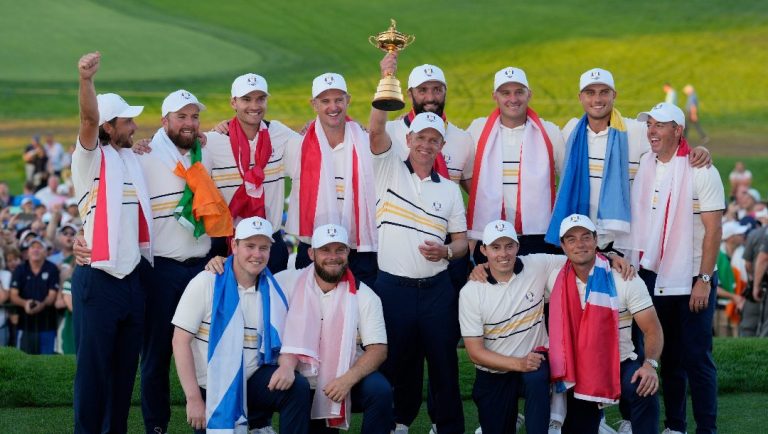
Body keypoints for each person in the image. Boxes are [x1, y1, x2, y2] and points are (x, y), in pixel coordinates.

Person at [618, 102, 724, 434]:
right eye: (649, 125)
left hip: (692, 274)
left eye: (659, 125)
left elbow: (714, 229)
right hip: (650, 272)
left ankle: (706, 429)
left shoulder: (701, 170)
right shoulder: (644, 164)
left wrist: (704, 280)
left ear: (678, 131)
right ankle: (675, 426)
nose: (651, 131)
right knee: (667, 357)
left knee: (697, 358)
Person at [138, 89, 232, 434]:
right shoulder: (145, 156)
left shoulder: (203, 153)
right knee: (157, 353)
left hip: (202, 266)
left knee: (207, 349)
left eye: (194, 116)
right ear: (165, 121)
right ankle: (156, 425)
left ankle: (209, 422)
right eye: (182, 117)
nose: (190, 123)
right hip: (160, 269)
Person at [369, 109, 468, 433]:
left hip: (436, 289)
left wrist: (447, 252)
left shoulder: (449, 190)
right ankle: (397, 423)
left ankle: (448, 426)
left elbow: (462, 242)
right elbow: (375, 131)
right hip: (393, 289)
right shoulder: (387, 168)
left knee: (444, 363)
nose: (426, 144)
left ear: (441, 145)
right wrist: (386, 82)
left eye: (433, 140)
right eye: (421, 137)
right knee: (395, 361)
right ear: (408, 139)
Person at [71, 51, 153, 433]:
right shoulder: (87, 158)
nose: (135, 126)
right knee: (93, 374)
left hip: (132, 280)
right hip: (99, 280)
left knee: (123, 378)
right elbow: (88, 118)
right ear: (108, 126)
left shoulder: (131, 157)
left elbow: (166, 143)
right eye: (128, 121)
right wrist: (86, 81)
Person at [547, 68, 710, 253]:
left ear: (614, 95)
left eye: (604, 92)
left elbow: (670, 144)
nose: (597, 100)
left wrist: (699, 149)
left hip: (618, 242)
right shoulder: (570, 131)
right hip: (577, 240)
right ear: (580, 97)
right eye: (590, 93)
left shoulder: (635, 131)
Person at [172, 216, 310, 433]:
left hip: (251, 382)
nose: (257, 254)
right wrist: (193, 399)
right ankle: (255, 423)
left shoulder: (274, 291)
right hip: (212, 387)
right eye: (250, 246)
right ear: (234, 246)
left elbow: (288, 341)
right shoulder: (207, 281)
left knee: (297, 387)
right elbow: (180, 341)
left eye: (263, 248)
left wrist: (286, 366)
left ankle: (258, 421)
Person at [548, 214, 662, 434]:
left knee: (643, 385)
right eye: (571, 239)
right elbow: (513, 265)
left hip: (620, 362)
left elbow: (652, 329)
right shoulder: (554, 275)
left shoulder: (625, 278)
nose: (579, 244)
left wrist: (650, 365)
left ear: (595, 240)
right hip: (578, 369)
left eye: (585, 237)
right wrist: (480, 269)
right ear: (562, 246)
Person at [277, 224, 392, 433]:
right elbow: (247, 277)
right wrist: (219, 262)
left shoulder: (364, 295)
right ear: (311, 253)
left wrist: (347, 379)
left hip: (342, 379)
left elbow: (378, 349)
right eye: (325, 250)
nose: (333, 256)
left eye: (339, 249)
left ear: (348, 253)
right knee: (297, 390)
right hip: (298, 381)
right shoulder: (285, 282)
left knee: (380, 391)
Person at [459, 220, 568, 434]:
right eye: (495, 247)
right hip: (494, 370)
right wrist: (518, 363)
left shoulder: (536, 264)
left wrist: (610, 258)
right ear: (483, 250)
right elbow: (475, 353)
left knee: (536, 377)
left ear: (518, 246)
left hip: (533, 362)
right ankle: (510, 416)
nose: (503, 254)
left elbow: (580, 258)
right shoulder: (471, 292)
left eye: (509, 246)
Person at [379, 53, 473, 293]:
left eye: (437, 90)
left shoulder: (463, 139)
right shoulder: (391, 131)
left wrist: (462, 245)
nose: (431, 97)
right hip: (397, 255)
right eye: (423, 90)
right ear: (410, 94)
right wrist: (386, 79)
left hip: (446, 252)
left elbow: (474, 193)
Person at [283, 73, 379, 289]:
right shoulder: (296, 144)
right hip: (314, 249)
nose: (333, 107)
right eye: (325, 101)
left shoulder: (366, 142)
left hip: (359, 248)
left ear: (348, 100)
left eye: (338, 100)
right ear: (314, 104)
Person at [466, 67, 565, 259]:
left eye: (519, 92)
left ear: (529, 94)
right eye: (505, 93)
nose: (513, 99)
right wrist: (487, 196)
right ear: (495, 96)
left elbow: (569, 179)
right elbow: (463, 173)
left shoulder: (549, 132)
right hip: (493, 234)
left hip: (539, 234)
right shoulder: (477, 130)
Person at [206, 73, 298, 272]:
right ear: (233, 102)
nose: (254, 106)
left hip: (270, 242)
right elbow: (178, 146)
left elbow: (314, 145)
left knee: (273, 301)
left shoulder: (280, 133)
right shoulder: (213, 141)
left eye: (260, 99)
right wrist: (142, 145)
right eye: (246, 99)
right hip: (226, 242)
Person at [8, 237, 59, 354]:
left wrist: (42, 305)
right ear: (27, 251)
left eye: (39, 247)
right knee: (24, 363)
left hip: (47, 325)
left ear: (45, 252)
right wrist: (25, 303)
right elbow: (13, 295)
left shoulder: (52, 269)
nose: (36, 250)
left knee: (47, 364)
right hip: (24, 326)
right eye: (32, 247)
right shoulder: (20, 269)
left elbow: (52, 296)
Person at [715, 221, 749, 337]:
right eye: (739, 234)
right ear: (730, 238)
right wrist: (734, 297)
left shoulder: (743, 253)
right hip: (721, 308)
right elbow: (712, 286)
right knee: (723, 341)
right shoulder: (716, 255)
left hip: (742, 305)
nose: (743, 235)